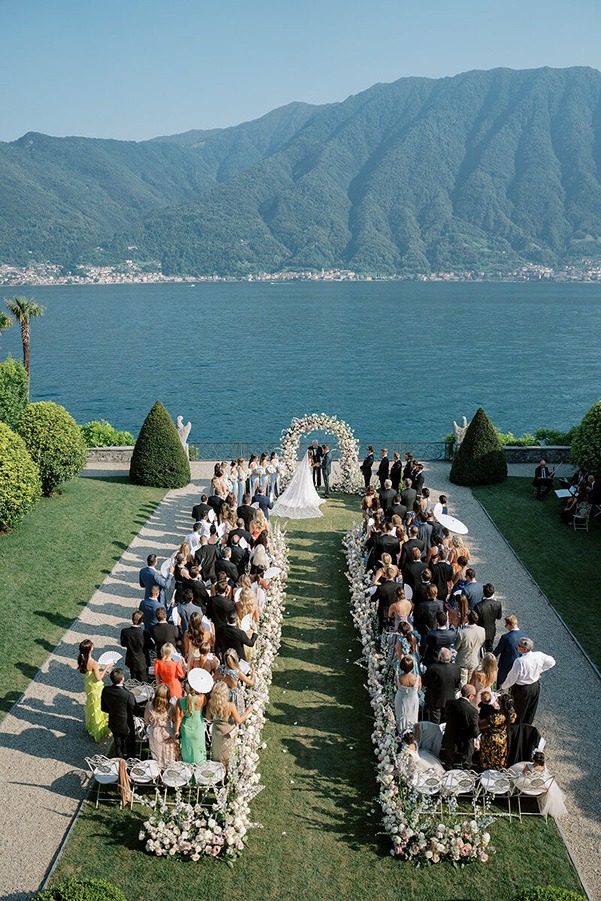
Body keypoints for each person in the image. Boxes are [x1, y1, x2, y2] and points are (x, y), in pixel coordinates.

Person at [500, 637, 556, 725]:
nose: (516, 647)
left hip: (522, 689)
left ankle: (516, 730)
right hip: (535, 686)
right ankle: (526, 727)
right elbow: (552, 662)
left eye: (519, 645)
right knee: (530, 711)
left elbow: (512, 678)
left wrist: (503, 686)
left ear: (524, 649)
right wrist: (539, 671)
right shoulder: (539, 655)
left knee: (518, 712)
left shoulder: (520, 661)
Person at [206, 681, 253, 771]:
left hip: (216, 732)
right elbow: (239, 720)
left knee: (217, 753)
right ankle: (227, 774)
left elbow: (208, 718)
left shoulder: (211, 703)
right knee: (227, 755)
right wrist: (248, 711)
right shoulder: (230, 706)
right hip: (227, 733)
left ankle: (217, 773)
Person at [271, 448, 325, 519]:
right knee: (307, 485)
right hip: (307, 474)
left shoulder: (308, 459)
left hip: (308, 474)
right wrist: (315, 465)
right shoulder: (309, 460)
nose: (312, 454)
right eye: (311, 453)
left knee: (308, 485)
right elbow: (309, 467)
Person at [77, 639, 111, 741]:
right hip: (96, 688)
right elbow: (99, 678)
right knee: (98, 707)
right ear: (90, 648)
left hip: (89, 686)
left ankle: (91, 727)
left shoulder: (82, 659)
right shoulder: (93, 663)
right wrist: (106, 668)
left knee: (92, 706)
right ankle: (99, 730)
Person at [440, 683, 480, 770]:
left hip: (450, 738)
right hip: (464, 743)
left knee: (448, 765)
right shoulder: (472, 711)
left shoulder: (449, 703)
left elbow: (446, 716)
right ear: (470, 696)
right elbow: (475, 730)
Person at [100, 668, 136, 759]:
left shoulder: (106, 690)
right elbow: (134, 709)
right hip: (126, 724)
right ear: (122, 679)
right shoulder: (128, 695)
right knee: (130, 745)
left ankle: (119, 762)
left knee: (118, 744)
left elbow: (104, 707)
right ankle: (130, 764)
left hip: (114, 721)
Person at [144, 683, 180, 767]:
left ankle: (158, 774)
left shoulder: (149, 705)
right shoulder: (170, 707)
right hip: (167, 732)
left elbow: (146, 720)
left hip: (155, 733)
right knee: (169, 756)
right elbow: (175, 720)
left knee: (158, 757)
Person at [422, 647, 462, 724]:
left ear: (439, 657)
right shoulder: (456, 668)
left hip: (435, 699)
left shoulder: (432, 668)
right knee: (446, 721)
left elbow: (425, 681)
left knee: (435, 722)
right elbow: (457, 684)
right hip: (450, 698)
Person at [477, 692, 516, 770]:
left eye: (499, 699)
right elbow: (512, 720)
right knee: (499, 758)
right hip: (502, 738)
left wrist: (476, 715)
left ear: (501, 704)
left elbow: (480, 725)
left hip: (491, 739)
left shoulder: (496, 718)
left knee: (488, 758)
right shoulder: (511, 713)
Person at [175, 680, 207, 764]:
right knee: (199, 753)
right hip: (198, 728)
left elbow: (178, 718)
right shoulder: (201, 698)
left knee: (187, 753)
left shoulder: (180, 701)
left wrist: (176, 731)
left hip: (186, 729)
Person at [494, 615, 528, 686]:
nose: (506, 626)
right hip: (519, 665)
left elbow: (497, 651)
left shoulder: (506, 637)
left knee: (501, 686)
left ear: (509, 625)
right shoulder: (525, 636)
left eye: (506, 625)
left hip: (505, 666)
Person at [454, 610, 486, 685]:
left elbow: (456, 647)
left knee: (463, 683)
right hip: (474, 660)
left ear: (468, 619)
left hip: (462, 660)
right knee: (472, 683)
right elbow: (482, 643)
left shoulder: (461, 632)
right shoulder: (482, 630)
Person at [394, 654, 421, 733]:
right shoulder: (417, 678)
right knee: (413, 716)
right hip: (413, 700)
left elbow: (397, 687)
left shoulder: (398, 677)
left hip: (401, 699)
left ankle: (401, 732)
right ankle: (411, 733)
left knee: (401, 716)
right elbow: (419, 689)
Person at [120, 611, 147, 683]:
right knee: (143, 681)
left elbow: (123, 644)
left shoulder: (125, 631)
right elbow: (148, 646)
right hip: (142, 659)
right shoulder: (143, 633)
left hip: (131, 656)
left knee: (133, 678)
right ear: (141, 621)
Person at [474, 583, 503, 652]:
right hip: (491, 630)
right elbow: (499, 617)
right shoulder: (498, 604)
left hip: (480, 630)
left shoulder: (478, 605)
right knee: (489, 649)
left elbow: (475, 619)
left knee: (478, 648)